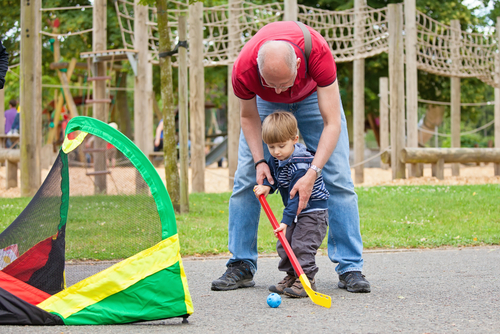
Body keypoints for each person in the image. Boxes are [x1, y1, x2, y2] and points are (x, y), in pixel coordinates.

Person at [211, 21, 370, 293]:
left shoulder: (317, 52)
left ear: (298, 63)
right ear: (259, 71)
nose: (281, 91)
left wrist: (313, 171)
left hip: (312, 98)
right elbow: (248, 117)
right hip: (264, 105)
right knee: (246, 181)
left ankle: (350, 266)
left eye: (284, 83)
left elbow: (332, 123)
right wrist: (261, 161)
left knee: (339, 179)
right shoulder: (244, 69)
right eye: (271, 82)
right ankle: (241, 264)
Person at [253, 112, 328, 298]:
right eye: (271, 147)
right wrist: (268, 188)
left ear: (294, 139)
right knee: (284, 243)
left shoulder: (299, 165)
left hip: (312, 211)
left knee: (302, 245)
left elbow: (296, 198)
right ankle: (292, 275)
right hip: (296, 211)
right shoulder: (278, 158)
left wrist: (285, 222)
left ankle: (306, 280)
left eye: (281, 146)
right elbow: (277, 178)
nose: (276, 151)